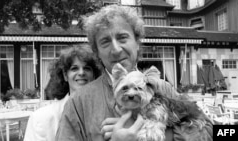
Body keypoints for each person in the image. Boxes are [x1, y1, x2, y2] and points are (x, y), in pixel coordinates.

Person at [56, 5, 213, 141]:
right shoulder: (79, 103)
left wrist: (161, 134)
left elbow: (213, 132)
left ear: (137, 43)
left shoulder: (162, 88)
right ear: (97, 52)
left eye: (122, 38)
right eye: (105, 42)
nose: (116, 49)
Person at [24, 44, 101, 141]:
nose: (81, 73)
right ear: (65, 75)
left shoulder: (105, 112)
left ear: (94, 76)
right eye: (74, 68)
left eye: (87, 68)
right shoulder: (41, 118)